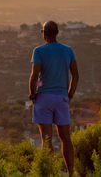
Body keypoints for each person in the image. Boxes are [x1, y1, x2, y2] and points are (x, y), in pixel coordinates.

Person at [29, 21, 79, 176]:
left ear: (44, 33)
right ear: (57, 33)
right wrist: (70, 94)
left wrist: (33, 95)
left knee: (47, 140)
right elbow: (76, 76)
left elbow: (34, 76)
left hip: (44, 98)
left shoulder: (39, 51)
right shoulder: (68, 50)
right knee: (66, 138)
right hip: (62, 98)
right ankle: (71, 172)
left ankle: (50, 172)